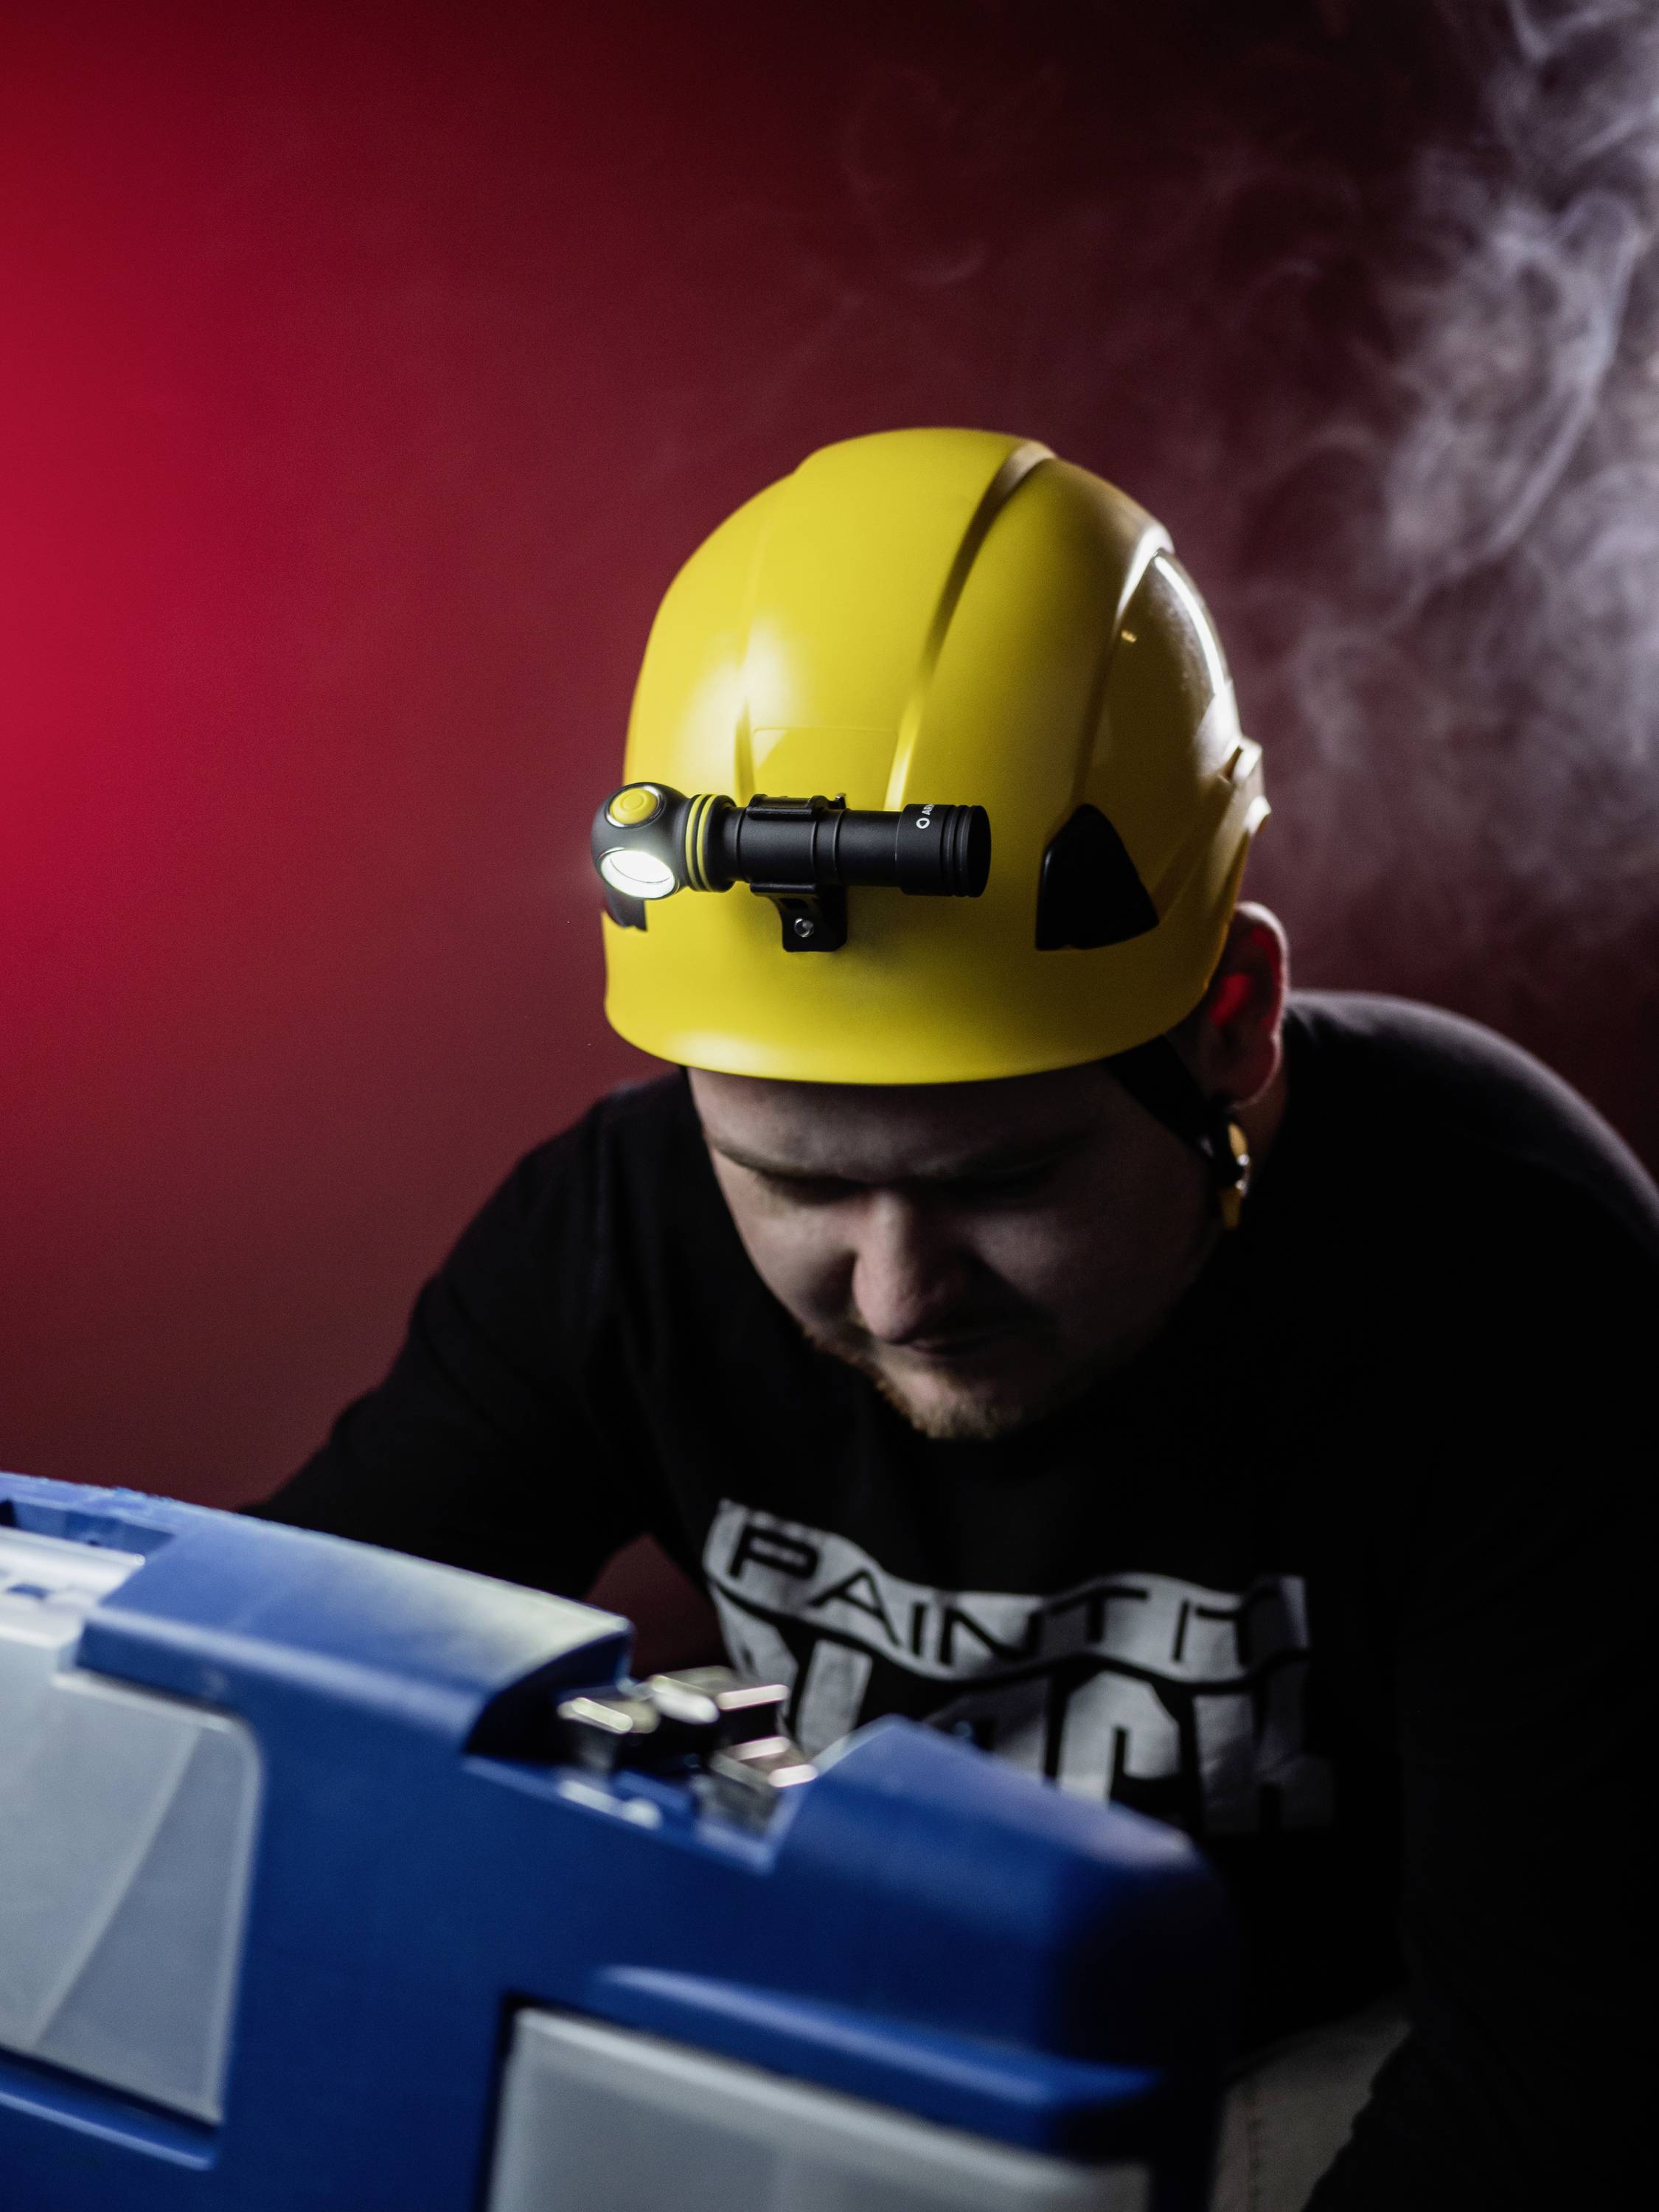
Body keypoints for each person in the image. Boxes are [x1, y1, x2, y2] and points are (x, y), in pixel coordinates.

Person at [254, 430, 1651, 2206]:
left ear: (1229, 1021)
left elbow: (1561, 2074)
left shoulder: (1512, 1277)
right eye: (800, 1183)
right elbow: (279, 1691)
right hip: (844, 2047)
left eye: (1002, 1182)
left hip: (1340, 2071)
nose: (901, 1297)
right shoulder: (619, 1222)